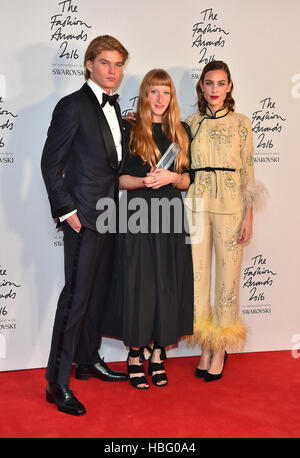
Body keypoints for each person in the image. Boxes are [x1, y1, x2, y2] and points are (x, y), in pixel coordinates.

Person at [41, 35, 129, 416]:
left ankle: (87, 358)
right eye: (105, 62)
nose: (113, 70)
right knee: (74, 301)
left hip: (109, 214)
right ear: (89, 64)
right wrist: (66, 210)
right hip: (82, 219)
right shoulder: (72, 106)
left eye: (118, 64)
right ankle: (56, 383)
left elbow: (111, 165)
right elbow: (50, 163)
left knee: (95, 296)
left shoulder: (114, 107)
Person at [104, 69, 194, 389]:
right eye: (154, 92)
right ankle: (134, 355)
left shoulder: (181, 131)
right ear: (145, 96)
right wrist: (144, 180)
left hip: (170, 216)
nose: (160, 99)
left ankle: (157, 355)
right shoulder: (130, 130)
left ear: (172, 97)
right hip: (137, 216)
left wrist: (172, 178)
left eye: (165, 92)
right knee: (139, 285)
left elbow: (188, 178)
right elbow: (117, 179)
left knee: (168, 283)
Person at [185, 61, 265, 381]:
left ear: (229, 86)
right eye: (209, 83)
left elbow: (248, 173)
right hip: (197, 205)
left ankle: (221, 347)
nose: (215, 89)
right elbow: (167, 152)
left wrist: (249, 216)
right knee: (198, 278)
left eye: (221, 83)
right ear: (201, 87)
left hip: (232, 206)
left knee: (228, 277)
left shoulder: (242, 123)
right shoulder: (190, 123)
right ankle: (206, 342)